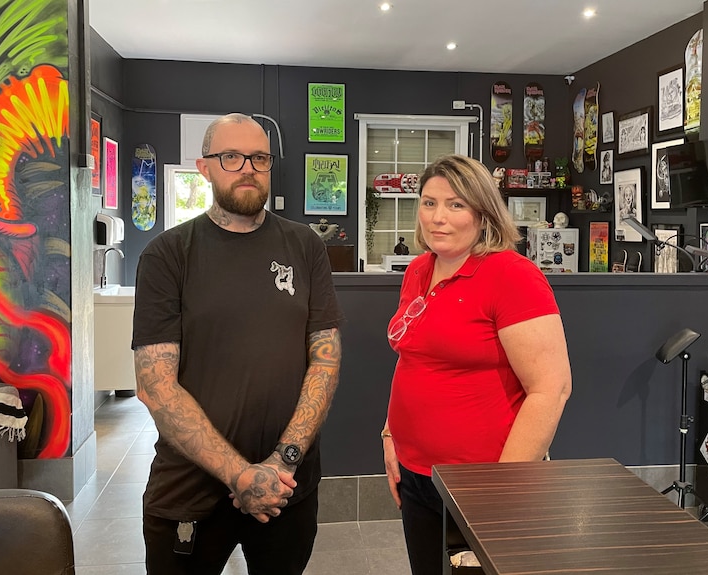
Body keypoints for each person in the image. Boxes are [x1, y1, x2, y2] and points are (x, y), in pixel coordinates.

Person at [131, 113, 344, 575]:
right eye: (231, 156)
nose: (248, 167)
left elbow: (324, 360)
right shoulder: (168, 255)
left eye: (260, 157)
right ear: (204, 167)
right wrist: (240, 474)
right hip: (190, 491)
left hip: (287, 487)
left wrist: (281, 463)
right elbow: (155, 386)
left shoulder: (305, 246)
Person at [381, 154, 572, 575]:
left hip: (481, 483)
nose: (438, 217)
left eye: (455, 204)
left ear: (483, 213)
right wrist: (391, 432)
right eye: (429, 203)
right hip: (417, 474)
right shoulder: (418, 270)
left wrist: (499, 492)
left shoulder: (511, 275)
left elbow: (551, 388)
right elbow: (413, 358)